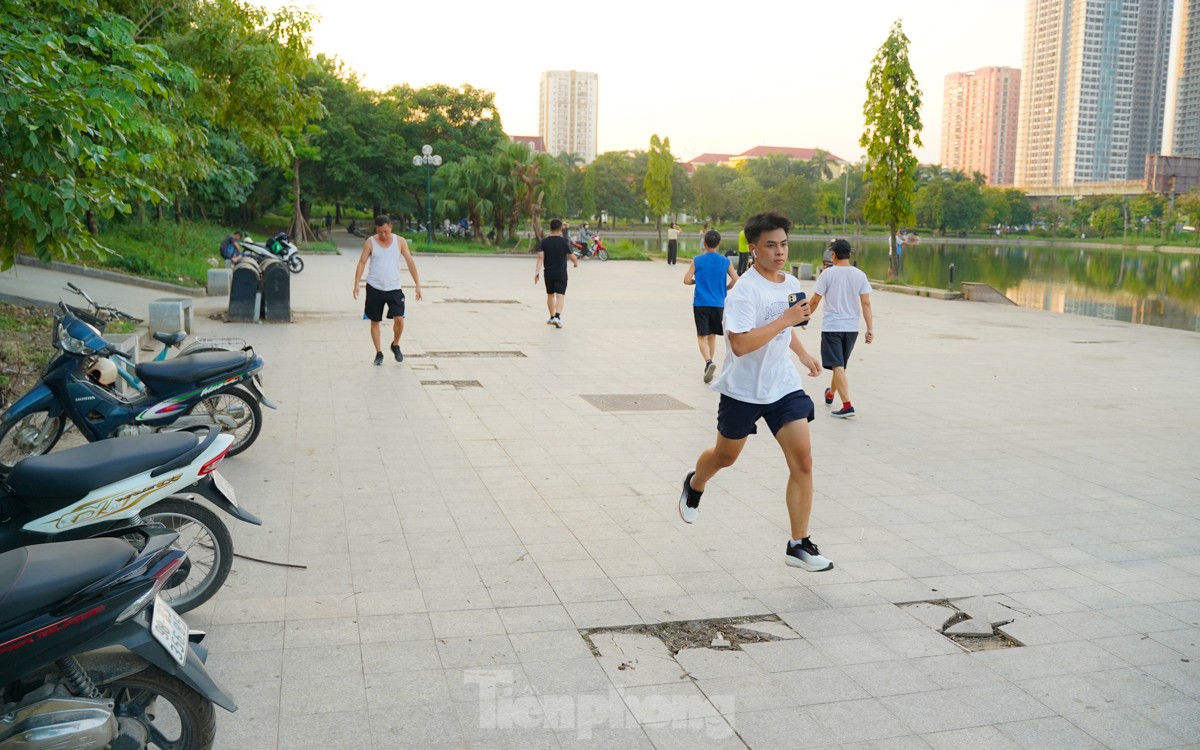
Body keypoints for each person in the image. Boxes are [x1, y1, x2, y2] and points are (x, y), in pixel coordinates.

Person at [678, 211, 832, 572]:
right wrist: (785, 320)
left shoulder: (789, 281)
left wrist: (804, 353)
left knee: (803, 462)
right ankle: (696, 481)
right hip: (743, 390)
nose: (780, 252)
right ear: (754, 248)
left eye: (783, 244)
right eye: (771, 245)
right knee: (725, 456)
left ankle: (798, 544)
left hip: (782, 386)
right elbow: (742, 344)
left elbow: (786, 327)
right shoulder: (744, 291)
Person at [808, 238, 873, 418]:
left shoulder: (827, 274)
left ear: (833, 254)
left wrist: (805, 318)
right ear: (849, 255)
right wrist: (870, 328)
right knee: (840, 365)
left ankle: (847, 406)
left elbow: (814, 300)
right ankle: (831, 394)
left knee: (838, 365)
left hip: (832, 327)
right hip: (852, 327)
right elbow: (866, 303)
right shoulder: (860, 275)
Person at [353, 215, 423, 365]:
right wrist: (356, 283)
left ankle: (395, 344)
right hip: (374, 287)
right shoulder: (370, 242)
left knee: (399, 318)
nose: (383, 235)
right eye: (380, 232)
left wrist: (417, 284)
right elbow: (362, 263)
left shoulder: (400, 241)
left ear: (391, 227)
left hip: (394, 288)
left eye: (385, 231)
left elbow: (410, 262)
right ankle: (378, 353)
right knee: (375, 321)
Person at [683, 229, 738, 383]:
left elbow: (686, 280)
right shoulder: (725, 261)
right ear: (718, 244)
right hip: (718, 303)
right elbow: (736, 279)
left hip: (701, 302)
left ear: (705, 243)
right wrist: (726, 288)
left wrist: (696, 281)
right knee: (712, 335)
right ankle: (710, 363)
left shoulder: (697, 260)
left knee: (702, 336)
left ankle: (708, 362)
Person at [533, 218, 578, 328]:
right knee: (560, 295)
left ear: (550, 228)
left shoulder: (544, 242)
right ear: (560, 228)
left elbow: (540, 257)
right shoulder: (564, 241)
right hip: (561, 273)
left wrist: (536, 272)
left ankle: (552, 317)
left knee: (550, 295)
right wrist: (575, 262)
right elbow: (572, 256)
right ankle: (557, 317)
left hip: (548, 273)